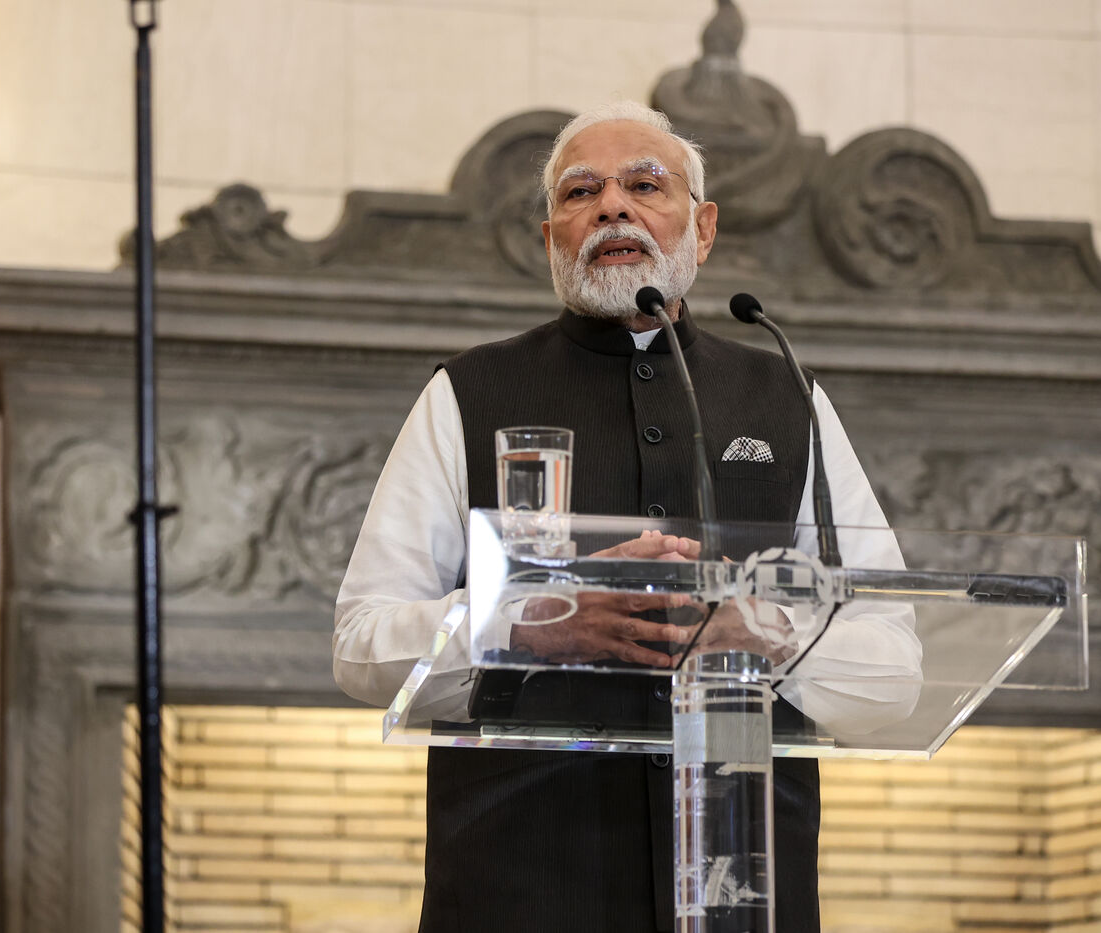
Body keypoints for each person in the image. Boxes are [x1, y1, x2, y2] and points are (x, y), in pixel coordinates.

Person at [333, 101, 920, 933]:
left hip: (740, 894)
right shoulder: (466, 394)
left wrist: (766, 632)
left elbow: (895, 666)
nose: (612, 205)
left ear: (702, 228)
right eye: (582, 192)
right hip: (519, 894)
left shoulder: (787, 399)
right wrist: (526, 624)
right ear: (552, 240)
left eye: (645, 184)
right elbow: (362, 642)